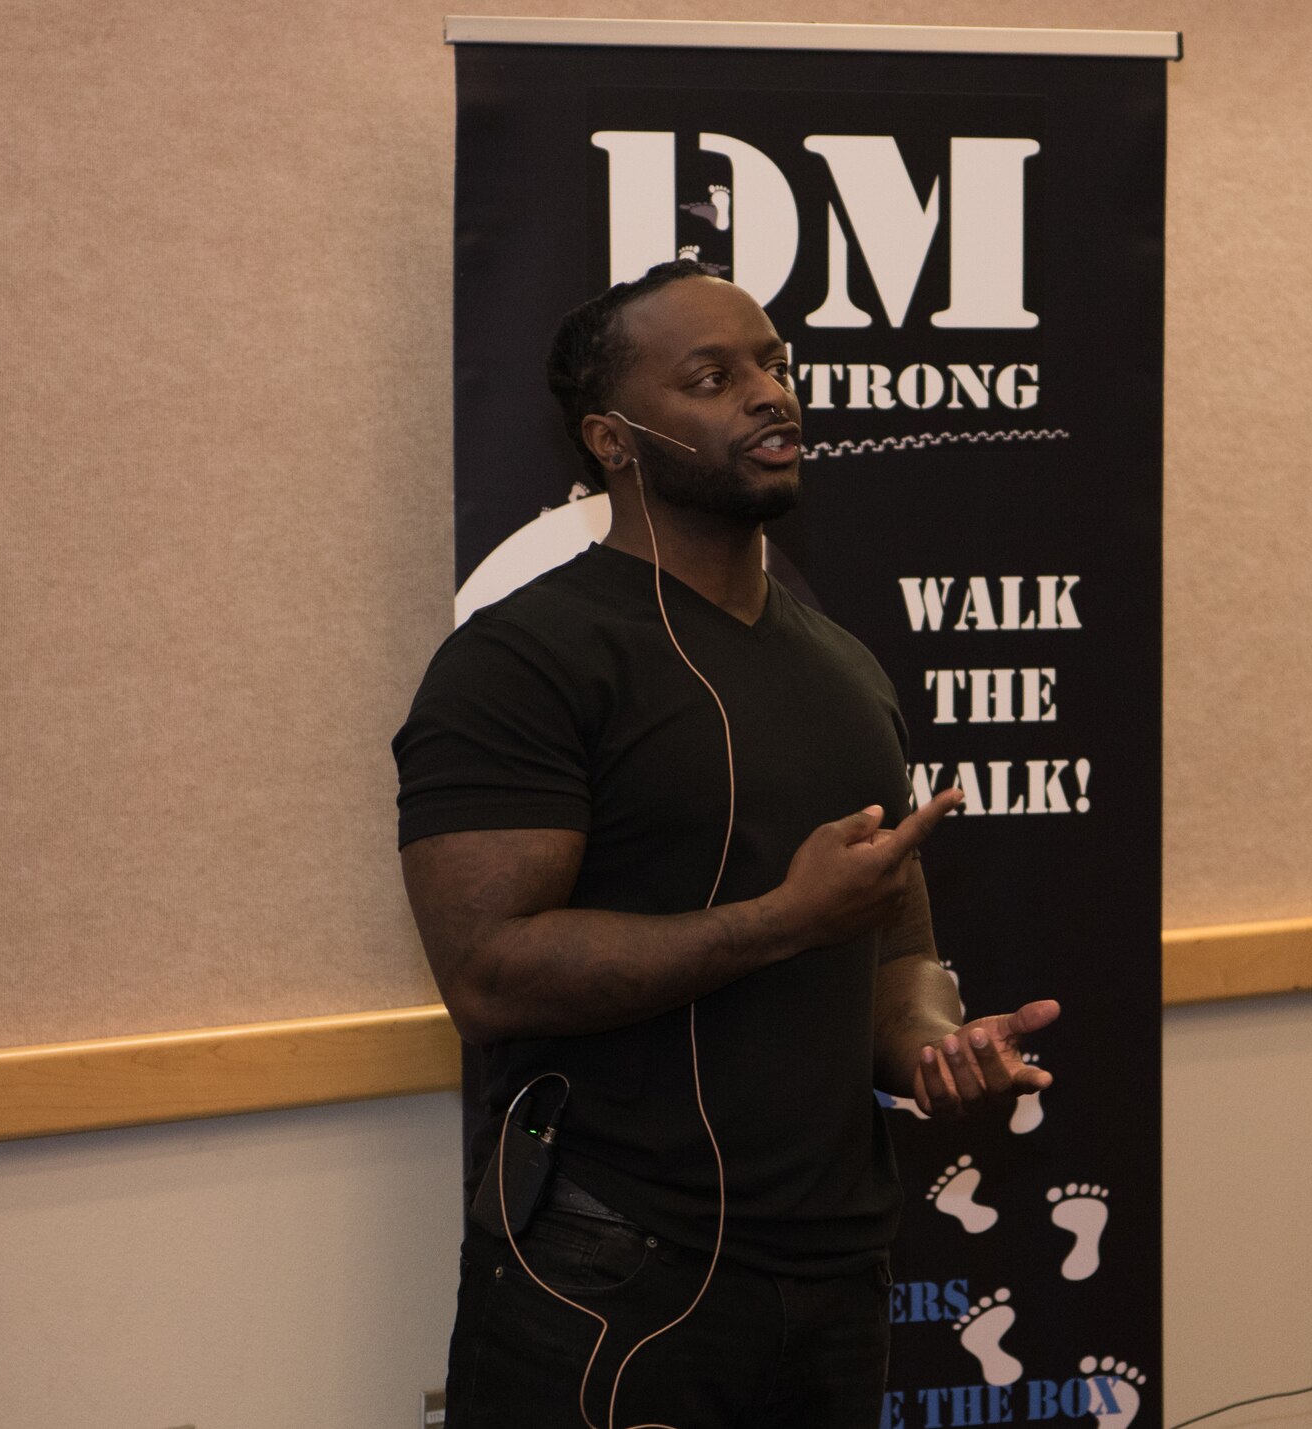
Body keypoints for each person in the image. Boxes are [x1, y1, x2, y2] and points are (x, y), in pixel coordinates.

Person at [393, 259, 1059, 1429]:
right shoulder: (521, 663)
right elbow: (488, 974)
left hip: (836, 1275)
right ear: (612, 439)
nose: (770, 394)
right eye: (713, 376)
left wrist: (932, 1049)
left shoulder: (843, 666)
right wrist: (778, 923)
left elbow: (892, 940)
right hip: (608, 1276)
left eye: (774, 364)